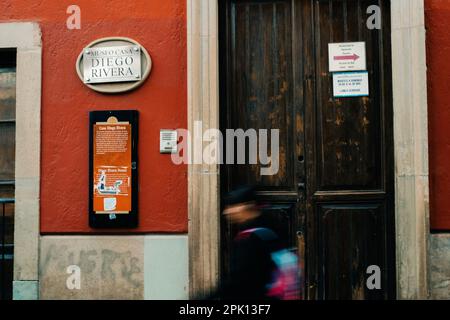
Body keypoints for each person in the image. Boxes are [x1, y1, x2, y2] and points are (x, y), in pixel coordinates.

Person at [218, 185, 280, 300]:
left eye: (232, 206)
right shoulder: (271, 227)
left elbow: (239, 281)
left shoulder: (248, 239)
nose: (226, 212)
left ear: (246, 206)